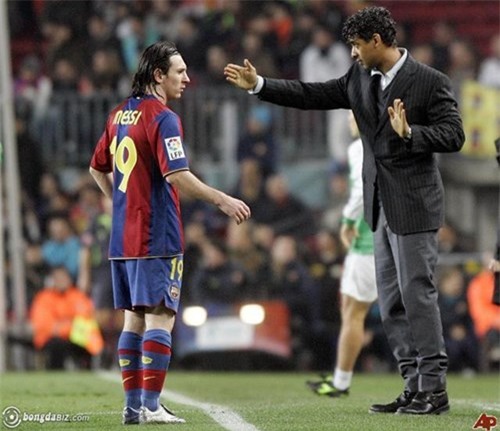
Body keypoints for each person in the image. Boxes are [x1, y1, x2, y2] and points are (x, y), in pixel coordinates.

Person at [225, 6, 464, 415]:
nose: (352, 53)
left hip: (414, 205)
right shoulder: (359, 77)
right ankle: (412, 384)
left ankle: (434, 388)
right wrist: (260, 85)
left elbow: (454, 134)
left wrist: (413, 133)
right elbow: (312, 94)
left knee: (417, 295)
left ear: (377, 41)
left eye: (356, 45)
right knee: (391, 301)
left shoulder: (429, 81)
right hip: (379, 206)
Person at [89, 41, 250, 425]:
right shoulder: (163, 118)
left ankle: (133, 407)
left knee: (133, 321)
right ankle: (151, 405)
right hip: (156, 235)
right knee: (160, 318)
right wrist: (222, 199)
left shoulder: (118, 115)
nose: (187, 78)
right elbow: (177, 174)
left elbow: (96, 168)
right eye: (180, 71)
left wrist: (122, 204)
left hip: (123, 238)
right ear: (158, 75)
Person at [307, 112, 377, 397]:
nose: (349, 120)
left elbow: (361, 190)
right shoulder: (378, 144)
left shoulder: (361, 147)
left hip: (367, 237)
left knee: (355, 311)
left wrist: (347, 219)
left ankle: (342, 382)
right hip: (373, 236)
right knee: (350, 308)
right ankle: (340, 379)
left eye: (352, 114)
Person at [30, 266, 96, 370]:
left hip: (76, 337)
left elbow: (86, 318)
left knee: (90, 340)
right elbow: (45, 325)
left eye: (64, 277)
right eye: (58, 278)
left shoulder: (77, 296)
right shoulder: (43, 298)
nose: (61, 281)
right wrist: (70, 326)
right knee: (57, 345)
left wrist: (63, 327)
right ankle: (55, 372)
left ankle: (90, 368)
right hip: (51, 339)